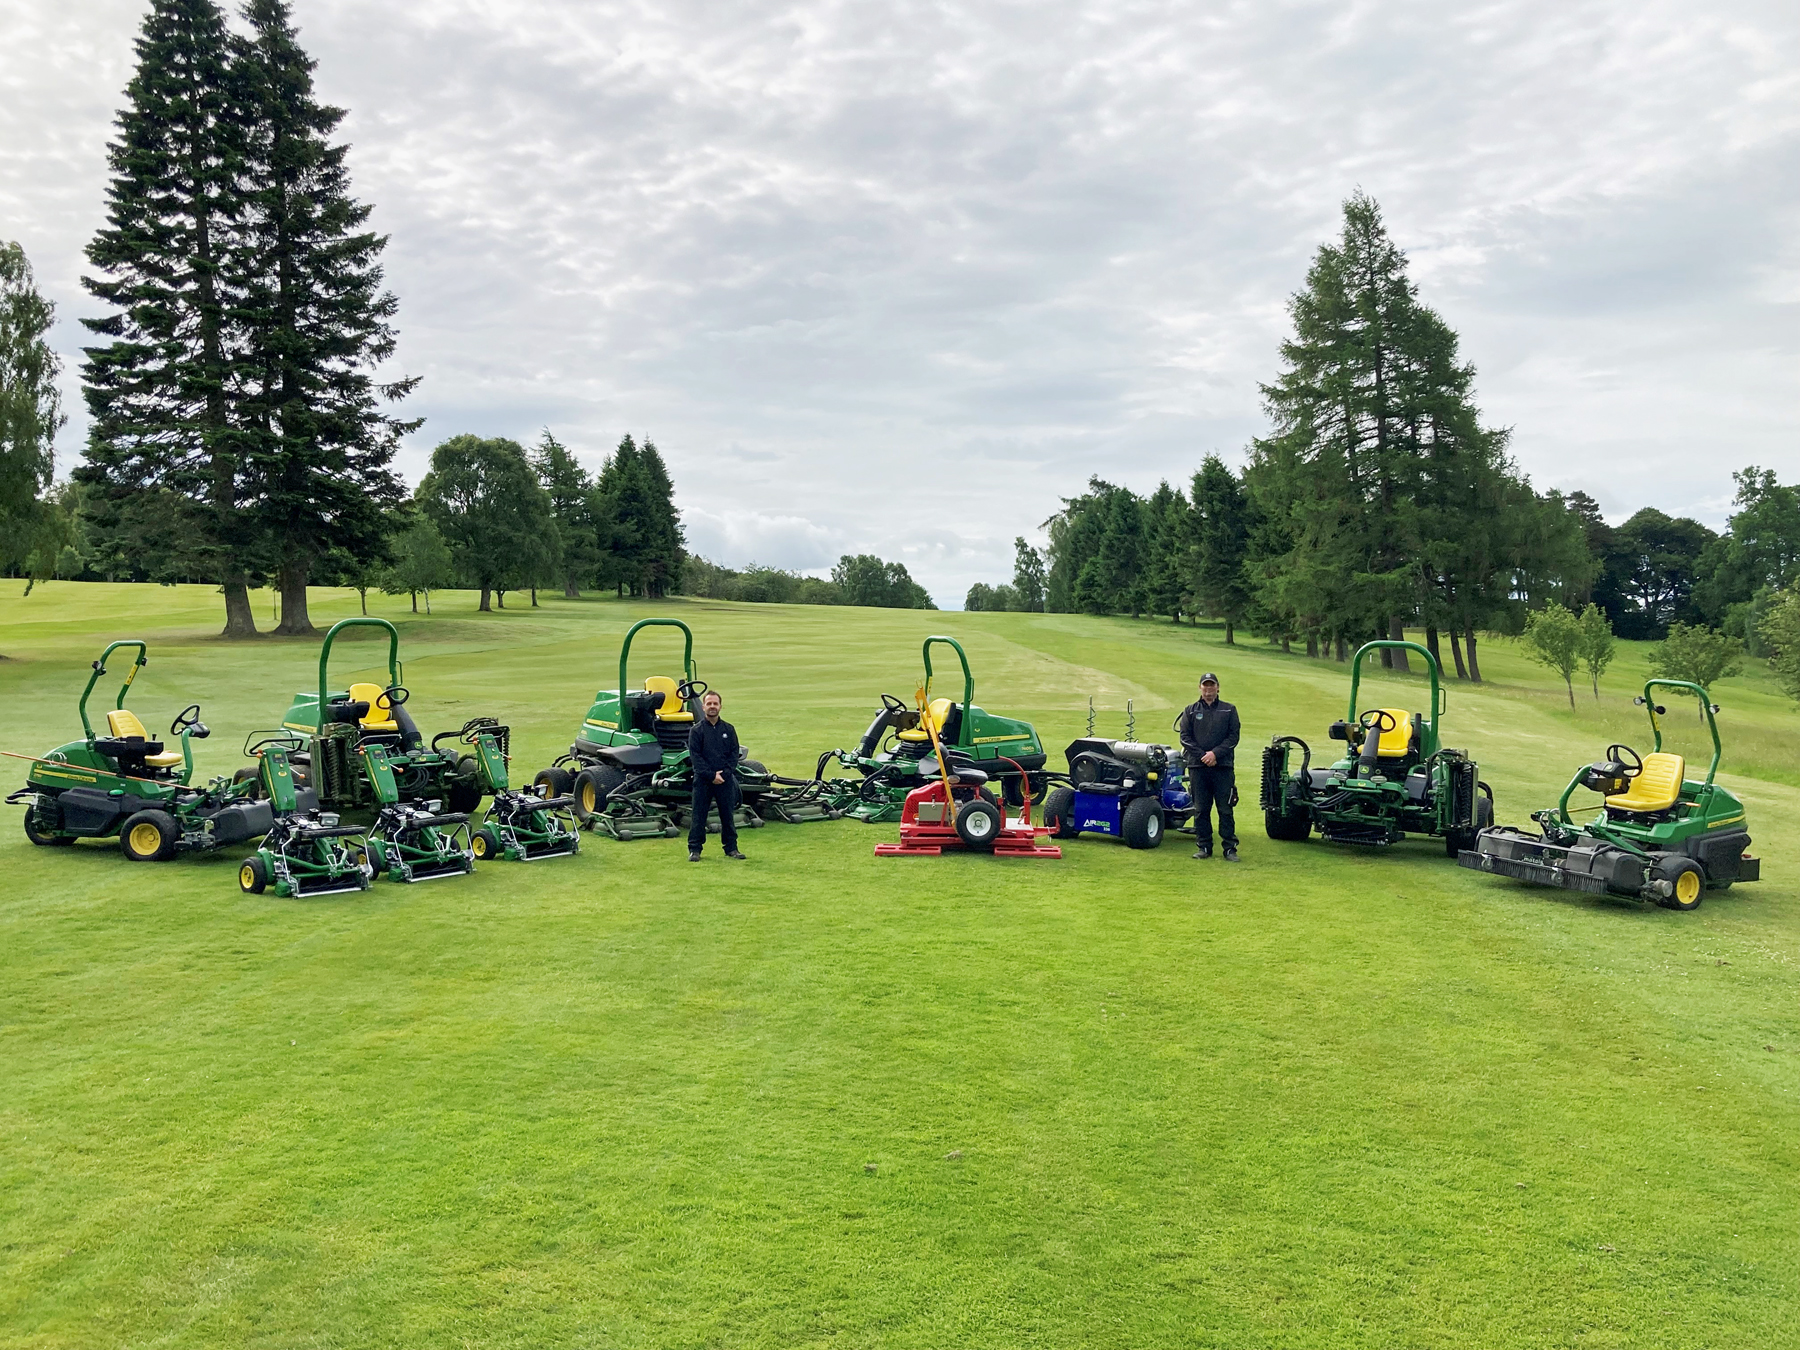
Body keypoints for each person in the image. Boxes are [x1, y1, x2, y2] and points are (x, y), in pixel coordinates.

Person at [1176, 671, 1240, 862]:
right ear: (1200, 688)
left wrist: (1215, 754)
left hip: (1223, 767)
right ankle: (1204, 846)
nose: (1208, 689)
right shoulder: (1190, 710)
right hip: (1198, 767)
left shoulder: (1229, 710)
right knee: (1201, 809)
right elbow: (1185, 738)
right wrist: (1203, 756)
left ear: (1218, 687)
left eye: (1212, 685)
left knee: (1225, 809)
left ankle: (1230, 848)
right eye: (1205, 685)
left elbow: (1233, 737)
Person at [686, 690, 747, 862]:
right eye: (709, 704)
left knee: (727, 815)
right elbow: (696, 757)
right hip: (704, 780)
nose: (712, 707)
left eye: (715, 704)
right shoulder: (696, 731)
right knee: (698, 815)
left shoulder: (728, 729)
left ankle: (731, 849)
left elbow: (734, 754)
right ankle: (695, 850)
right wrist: (711, 775)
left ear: (720, 706)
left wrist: (725, 774)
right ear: (703, 706)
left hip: (725, 780)